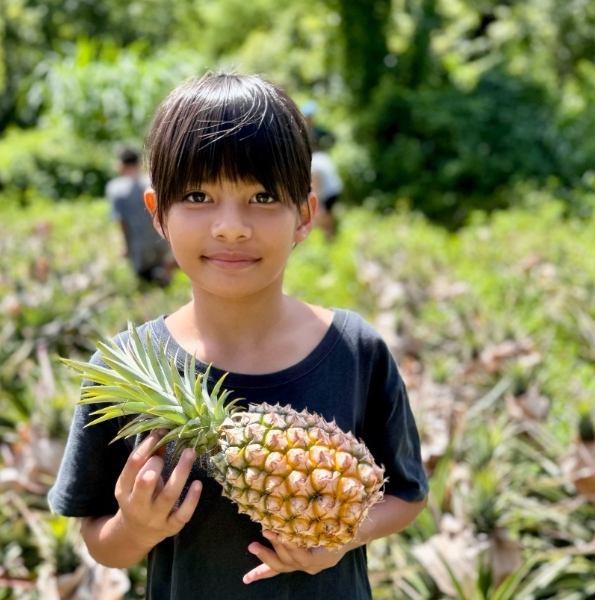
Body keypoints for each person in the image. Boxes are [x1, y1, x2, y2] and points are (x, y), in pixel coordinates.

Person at [48, 73, 428, 600]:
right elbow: (99, 539)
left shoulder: (356, 351)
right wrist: (134, 530)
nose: (231, 226)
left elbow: (407, 495)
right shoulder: (122, 369)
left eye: (263, 195)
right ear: (157, 214)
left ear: (305, 215)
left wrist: (344, 536)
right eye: (199, 195)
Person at [106, 146, 173, 287]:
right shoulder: (152, 182)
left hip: (138, 245)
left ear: (121, 165)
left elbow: (122, 222)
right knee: (166, 281)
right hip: (161, 239)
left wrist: (125, 246)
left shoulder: (116, 189)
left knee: (146, 285)